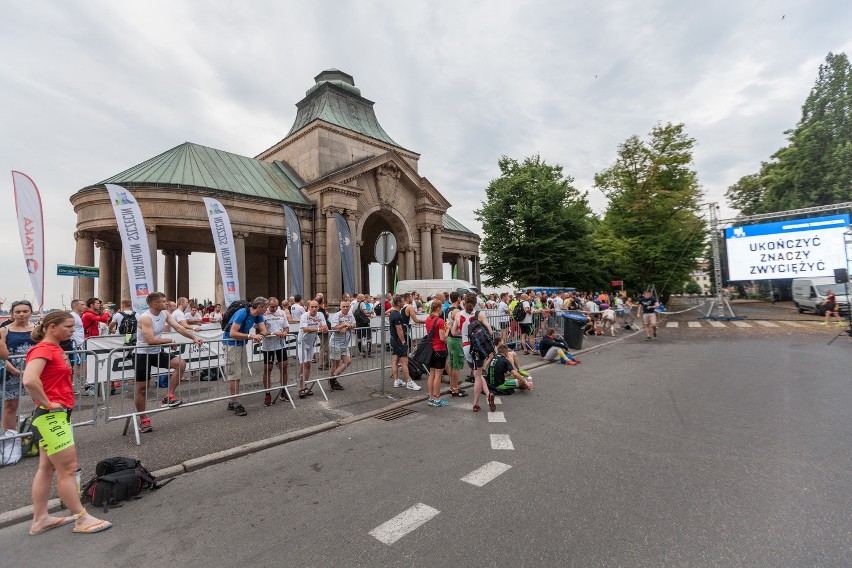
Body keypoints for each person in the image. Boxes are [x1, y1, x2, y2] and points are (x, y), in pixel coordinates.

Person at [23, 311, 112, 535]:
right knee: (68, 469)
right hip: (51, 416)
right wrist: (48, 404)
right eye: (69, 326)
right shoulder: (43, 349)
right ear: (52, 327)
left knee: (47, 467)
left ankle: (40, 518)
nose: (73, 330)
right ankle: (81, 518)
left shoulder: (55, 348)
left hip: (55, 415)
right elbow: (29, 380)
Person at [133, 292, 203, 432]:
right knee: (142, 388)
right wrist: (169, 341)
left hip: (156, 352)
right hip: (142, 354)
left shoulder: (164, 313)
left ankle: (168, 396)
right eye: (164, 301)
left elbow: (178, 327)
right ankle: (143, 419)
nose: (167, 304)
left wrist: (193, 337)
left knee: (181, 364)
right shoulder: (146, 318)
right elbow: (150, 340)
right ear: (154, 304)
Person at [223, 297, 269, 416]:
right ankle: (236, 402)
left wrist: (260, 336)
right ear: (259, 307)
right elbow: (233, 333)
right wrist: (251, 336)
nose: (267, 310)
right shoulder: (242, 313)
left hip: (241, 344)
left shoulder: (258, 315)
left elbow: (264, 330)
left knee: (238, 373)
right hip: (231, 344)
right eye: (266, 307)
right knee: (233, 373)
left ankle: (233, 400)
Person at [453, 293, 494, 412]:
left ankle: (487, 394)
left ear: (464, 302)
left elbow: (454, 332)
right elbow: (490, 332)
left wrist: (465, 333)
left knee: (478, 374)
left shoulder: (458, 315)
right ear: (476, 302)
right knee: (477, 376)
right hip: (478, 347)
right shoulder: (479, 314)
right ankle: (475, 403)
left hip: (466, 347)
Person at [2, 300, 37, 431]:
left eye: (25, 311)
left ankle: (38, 436)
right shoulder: (4, 331)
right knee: (11, 405)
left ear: (31, 313)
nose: (22, 314)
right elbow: (1, 356)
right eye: (18, 312)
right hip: (11, 373)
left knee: (41, 403)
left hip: (35, 372)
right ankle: (9, 440)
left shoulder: (37, 329)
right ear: (12, 314)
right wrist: (15, 371)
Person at [261, 297, 290, 406]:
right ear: (268, 305)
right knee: (268, 369)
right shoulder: (263, 314)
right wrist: (273, 333)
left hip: (280, 345)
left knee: (284, 366)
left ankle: (283, 391)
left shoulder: (282, 312)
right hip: (268, 346)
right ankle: (267, 394)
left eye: (276, 306)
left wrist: (285, 332)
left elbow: (286, 327)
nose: (274, 308)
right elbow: (259, 330)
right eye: (272, 306)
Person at [297, 300, 328, 398]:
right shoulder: (304, 316)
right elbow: (305, 329)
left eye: (316, 307)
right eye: (312, 307)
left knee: (308, 365)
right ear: (308, 307)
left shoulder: (320, 315)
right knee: (302, 364)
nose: (314, 309)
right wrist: (319, 329)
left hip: (312, 342)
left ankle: (306, 385)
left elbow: (324, 326)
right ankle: (301, 387)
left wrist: (325, 328)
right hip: (302, 342)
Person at [388, 296, 420, 390]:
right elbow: (399, 329)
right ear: (398, 303)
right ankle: (409, 382)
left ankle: (396, 380)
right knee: (404, 361)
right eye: (402, 302)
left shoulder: (392, 313)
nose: (403, 303)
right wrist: (403, 340)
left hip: (394, 340)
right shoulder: (397, 315)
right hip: (398, 340)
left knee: (395, 359)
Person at [425, 300, 450, 407]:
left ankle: (431, 397)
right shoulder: (440, 321)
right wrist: (447, 329)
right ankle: (437, 398)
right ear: (438, 308)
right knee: (438, 376)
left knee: (431, 374)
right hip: (439, 349)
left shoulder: (428, 319)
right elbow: (442, 338)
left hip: (430, 349)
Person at [328, 300, 356, 391]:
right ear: (340, 307)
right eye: (343, 306)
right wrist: (343, 324)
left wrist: (347, 327)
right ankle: (333, 381)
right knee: (335, 364)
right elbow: (333, 327)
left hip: (345, 343)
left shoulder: (351, 314)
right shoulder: (337, 315)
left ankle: (332, 379)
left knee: (348, 361)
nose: (345, 308)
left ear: (349, 307)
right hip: (335, 343)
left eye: (347, 306)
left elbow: (354, 324)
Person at [442, 292, 467, 398]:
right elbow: (460, 326)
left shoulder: (447, 309)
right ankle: (455, 389)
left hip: (450, 339)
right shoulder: (456, 311)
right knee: (456, 365)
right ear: (458, 299)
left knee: (452, 364)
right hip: (456, 339)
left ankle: (453, 387)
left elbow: (446, 324)